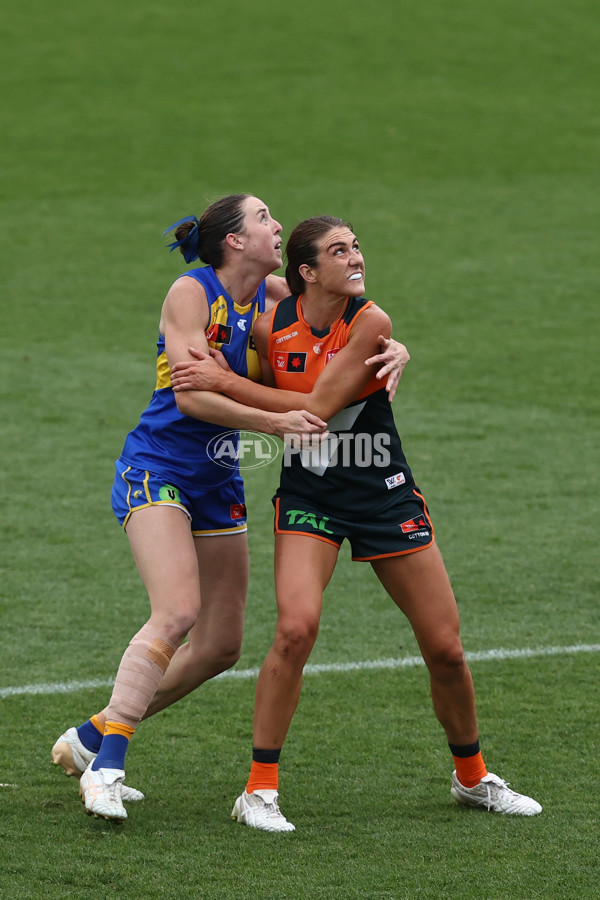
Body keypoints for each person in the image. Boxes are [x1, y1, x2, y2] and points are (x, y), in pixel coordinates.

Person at [170, 215, 542, 832]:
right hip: (309, 497)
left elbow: (316, 409)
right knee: (295, 629)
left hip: (383, 496)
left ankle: (473, 778)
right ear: (307, 272)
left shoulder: (371, 322)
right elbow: (245, 379)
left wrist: (225, 381)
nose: (355, 257)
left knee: (446, 649)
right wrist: (221, 376)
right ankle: (258, 790)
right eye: (338, 251)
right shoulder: (269, 327)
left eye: (356, 246)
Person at [51, 195, 409, 822]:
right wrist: (276, 423)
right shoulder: (190, 294)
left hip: (218, 478)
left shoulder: (272, 296)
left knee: (220, 645)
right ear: (234, 241)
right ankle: (107, 766)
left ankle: (89, 737)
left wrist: (399, 347)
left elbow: (339, 319)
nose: (278, 227)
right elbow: (192, 397)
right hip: (157, 467)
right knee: (179, 612)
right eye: (265, 219)